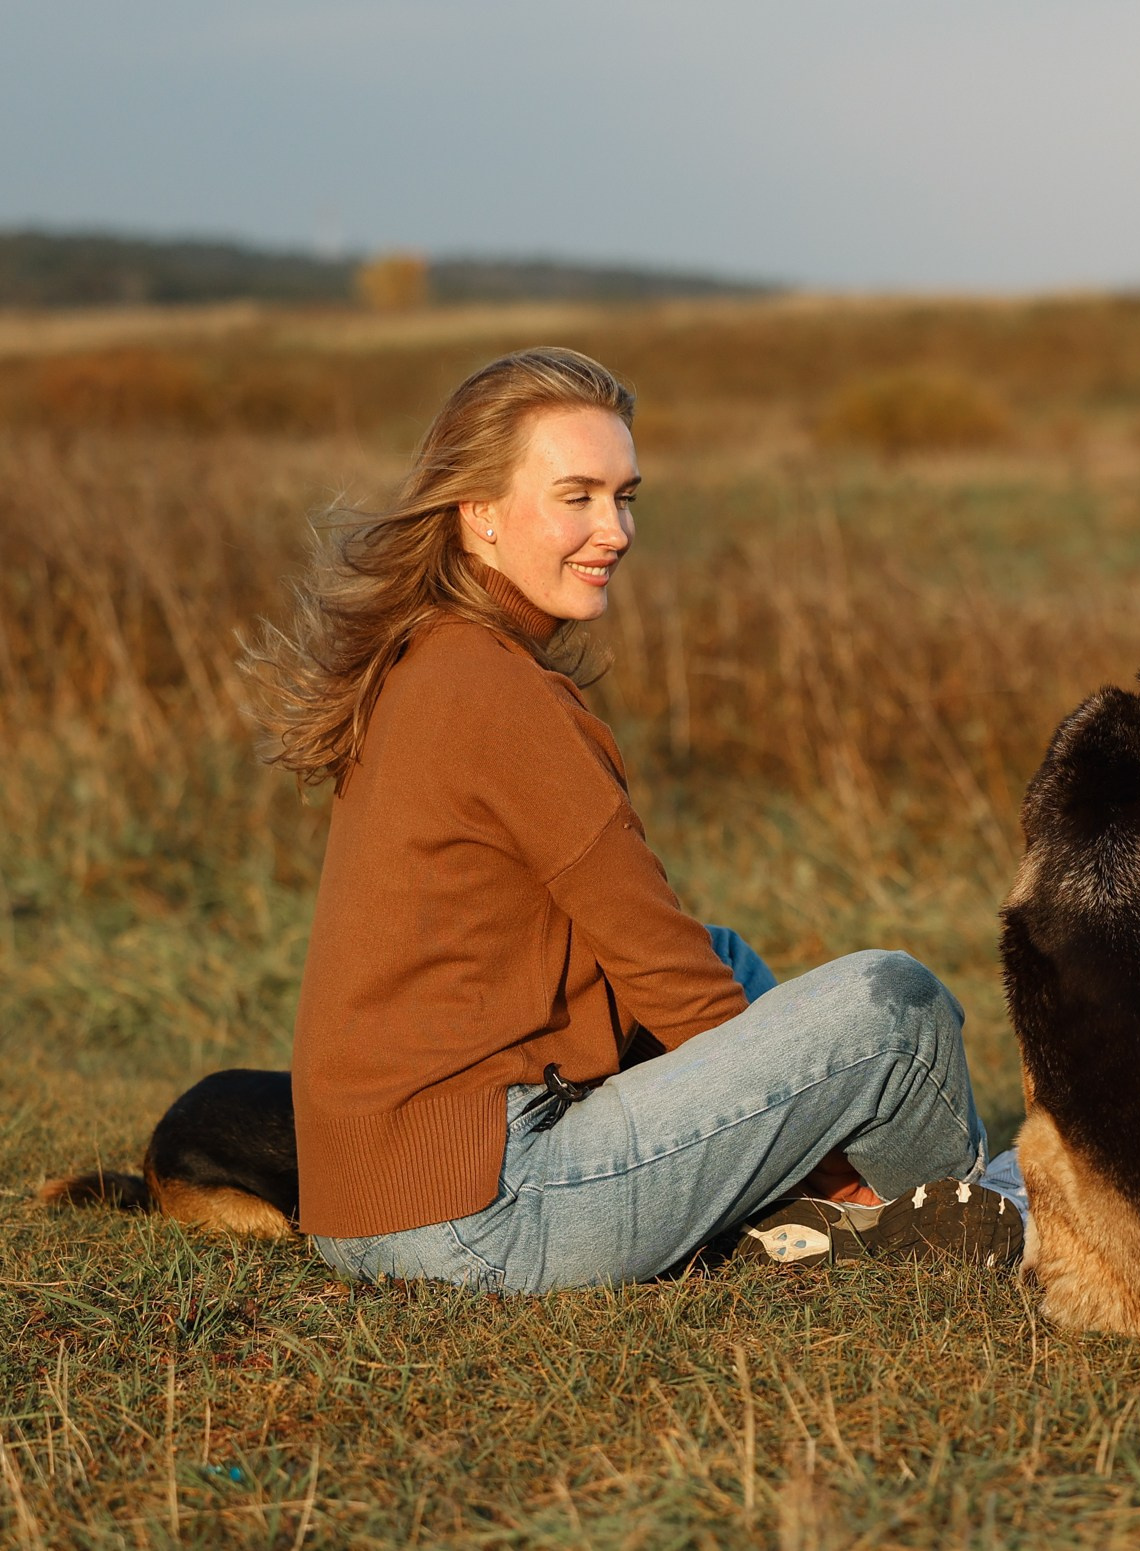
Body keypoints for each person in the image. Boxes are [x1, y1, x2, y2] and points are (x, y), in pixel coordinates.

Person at [243, 346, 1022, 1292]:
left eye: (626, 495)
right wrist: (816, 1148)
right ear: (477, 514)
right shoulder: (495, 694)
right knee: (890, 1008)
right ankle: (998, 1224)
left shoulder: (429, 659)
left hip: (375, 1201)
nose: (612, 529)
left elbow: (668, 965)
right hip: (478, 1213)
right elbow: (662, 966)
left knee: (728, 953)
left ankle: (845, 1211)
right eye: (575, 496)